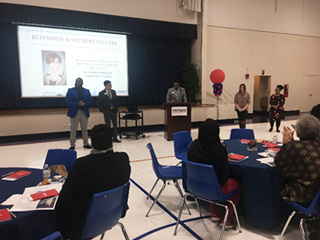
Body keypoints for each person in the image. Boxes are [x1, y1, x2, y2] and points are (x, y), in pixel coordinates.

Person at [56, 124, 131, 240]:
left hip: (87, 219)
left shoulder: (82, 165)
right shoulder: (123, 159)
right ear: (111, 141)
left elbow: (64, 198)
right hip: (114, 212)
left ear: (92, 142)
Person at [188, 118, 242, 229]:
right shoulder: (220, 150)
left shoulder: (193, 146)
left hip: (194, 186)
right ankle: (227, 218)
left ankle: (215, 212)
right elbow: (223, 178)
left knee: (211, 180)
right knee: (237, 184)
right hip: (213, 189)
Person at [274, 115, 320, 206]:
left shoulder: (294, 147)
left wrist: (286, 144)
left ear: (298, 133)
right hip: (317, 193)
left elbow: (279, 162)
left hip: (303, 194)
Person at [66, 78, 92, 150]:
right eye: (77, 82)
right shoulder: (71, 91)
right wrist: (77, 104)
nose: (79, 83)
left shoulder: (86, 91)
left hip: (84, 111)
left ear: (82, 83)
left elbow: (90, 101)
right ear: (75, 82)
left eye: (80, 82)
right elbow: (68, 101)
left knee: (84, 128)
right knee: (73, 129)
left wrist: (84, 104)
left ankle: (86, 143)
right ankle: (72, 144)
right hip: (74, 111)